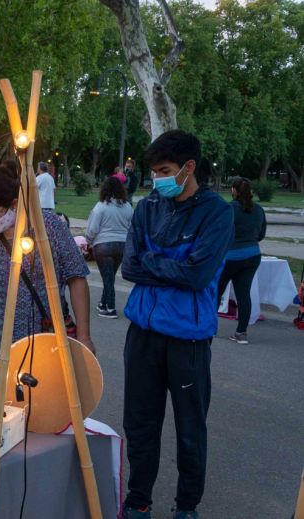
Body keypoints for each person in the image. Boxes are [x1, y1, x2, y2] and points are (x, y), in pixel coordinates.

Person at [120, 130, 233, 519]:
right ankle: (138, 501)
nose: (157, 180)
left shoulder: (217, 212)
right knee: (139, 424)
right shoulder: (147, 207)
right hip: (143, 334)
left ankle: (187, 507)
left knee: (190, 430)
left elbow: (197, 276)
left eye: (165, 171)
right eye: (153, 172)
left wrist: (155, 263)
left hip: (188, 340)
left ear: (189, 167)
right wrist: (170, 267)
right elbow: (128, 265)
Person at [0, 165, 94, 372]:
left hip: (45, 348)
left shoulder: (49, 227)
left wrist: (84, 336)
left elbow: (77, 278)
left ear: (14, 204)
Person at [216, 177, 266, 345]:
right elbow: (261, 235)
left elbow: (220, 232)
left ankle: (209, 327)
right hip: (252, 255)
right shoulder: (259, 209)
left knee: (216, 291)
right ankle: (241, 333)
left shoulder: (229, 209)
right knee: (243, 294)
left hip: (230, 256)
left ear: (234, 190)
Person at [85, 176, 133, 319]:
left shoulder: (100, 207)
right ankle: (103, 303)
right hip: (122, 244)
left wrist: (88, 241)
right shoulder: (128, 206)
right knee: (110, 275)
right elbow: (132, 227)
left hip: (104, 245)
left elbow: (92, 229)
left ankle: (110, 308)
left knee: (107, 278)